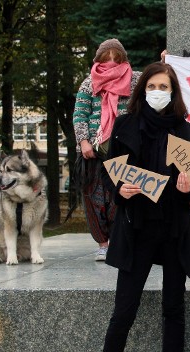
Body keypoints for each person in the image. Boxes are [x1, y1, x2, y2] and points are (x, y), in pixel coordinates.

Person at [76, 61, 190, 352]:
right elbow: (112, 178)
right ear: (142, 90)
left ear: (174, 92)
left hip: (173, 229)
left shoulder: (186, 131)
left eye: (165, 87)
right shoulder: (124, 124)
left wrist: (186, 186)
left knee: (173, 307)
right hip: (137, 228)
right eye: (152, 86)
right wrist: (124, 190)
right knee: (124, 309)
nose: (158, 93)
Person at [73, 39, 142, 261]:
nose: (111, 62)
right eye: (107, 58)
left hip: (124, 150)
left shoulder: (135, 79)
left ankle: (119, 240)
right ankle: (102, 243)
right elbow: (80, 114)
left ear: (123, 59)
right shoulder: (88, 83)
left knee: (120, 196)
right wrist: (83, 141)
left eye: (117, 58)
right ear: (99, 59)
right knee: (94, 198)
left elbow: (159, 79)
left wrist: (165, 61)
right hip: (93, 151)